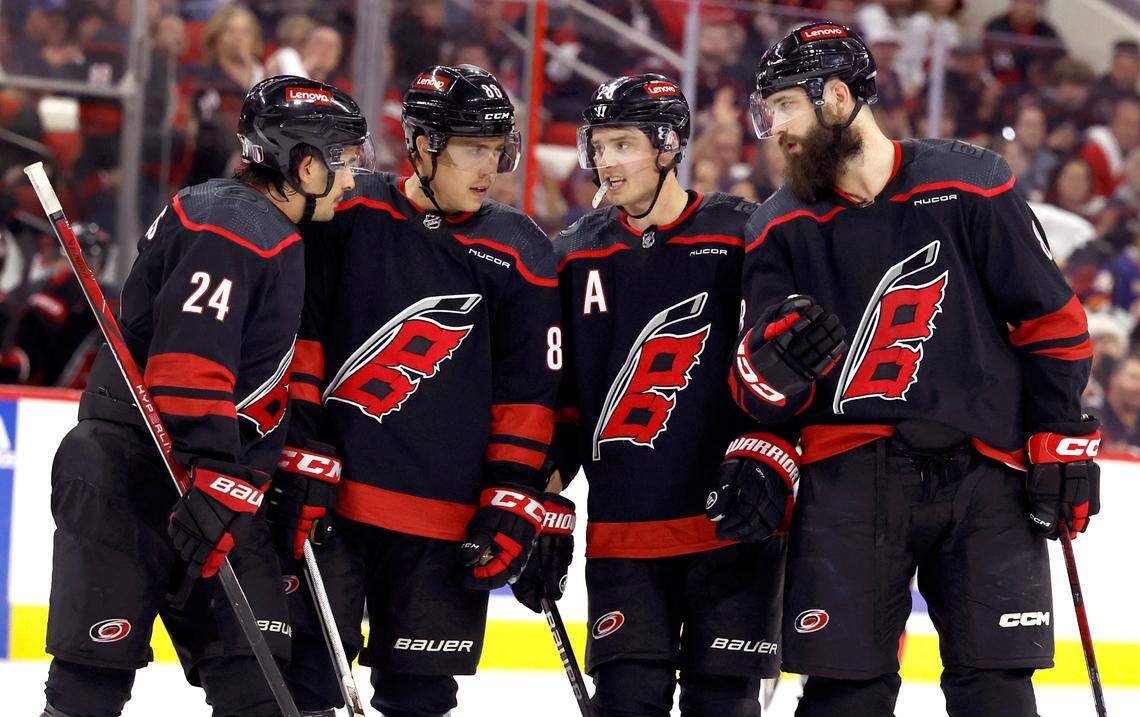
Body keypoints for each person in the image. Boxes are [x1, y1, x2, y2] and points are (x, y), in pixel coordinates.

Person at [733, 22, 1099, 717]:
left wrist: (1061, 432)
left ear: (837, 97)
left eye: (784, 106)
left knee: (996, 688)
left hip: (985, 470)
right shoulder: (778, 227)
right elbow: (750, 383)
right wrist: (775, 364)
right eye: (767, 111)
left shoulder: (971, 183)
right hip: (848, 478)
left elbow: (1051, 319)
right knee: (846, 695)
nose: (772, 127)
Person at [39, 75, 373, 717]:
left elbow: (250, 376)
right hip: (133, 474)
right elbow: (191, 364)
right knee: (91, 682)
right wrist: (222, 471)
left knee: (260, 687)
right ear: (306, 166)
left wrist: (257, 466)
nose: (354, 182)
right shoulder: (234, 223)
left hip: (209, 478)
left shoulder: (265, 226)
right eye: (346, 164)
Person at [272, 64, 560, 717]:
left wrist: (514, 496)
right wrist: (300, 446)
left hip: (445, 523)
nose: (489, 167)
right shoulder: (349, 209)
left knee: (421, 698)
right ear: (423, 145)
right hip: (334, 507)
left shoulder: (521, 250)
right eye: (471, 149)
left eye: (496, 149)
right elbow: (305, 334)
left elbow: (528, 391)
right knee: (304, 684)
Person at [542, 73, 789, 717]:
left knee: (723, 707)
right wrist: (538, 496)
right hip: (625, 535)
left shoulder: (743, 232)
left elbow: (785, 373)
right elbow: (559, 398)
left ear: (668, 144)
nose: (605, 161)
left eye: (623, 144)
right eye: (598, 145)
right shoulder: (573, 253)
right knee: (628, 703)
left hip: (731, 526)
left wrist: (778, 459)